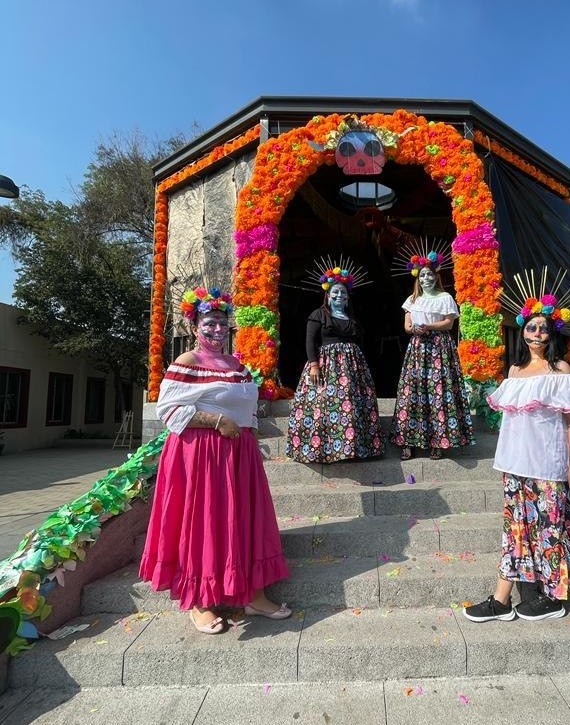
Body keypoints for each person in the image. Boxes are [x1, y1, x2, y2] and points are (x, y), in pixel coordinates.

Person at [139, 287, 290, 634]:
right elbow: (169, 410)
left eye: (223, 323)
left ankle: (254, 593)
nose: (217, 330)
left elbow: (246, 407)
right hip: (201, 454)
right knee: (204, 521)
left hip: (239, 455)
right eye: (209, 323)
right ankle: (200, 600)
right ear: (196, 327)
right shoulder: (186, 363)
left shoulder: (237, 366)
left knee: (244, 520)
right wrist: (216, 420)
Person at [463, 286, 570, 623]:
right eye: (531, 327)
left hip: (548, 467)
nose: (537, 333)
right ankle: (502, 600)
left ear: (552, 334)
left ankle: (553, 597)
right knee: (516, 531)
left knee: (549, 529)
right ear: (523, 331)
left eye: (543, 328)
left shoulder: (561, 371)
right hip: (514, 466)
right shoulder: (514, 373)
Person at [286, 262, 384, 463]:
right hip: (326, 366)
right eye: (336, 293)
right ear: (328, 295)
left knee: (351, 405)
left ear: (348, 297)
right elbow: (309, 342)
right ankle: (323, 449)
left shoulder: (351, 318)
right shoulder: (318, 315)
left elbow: (361, 341)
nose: (340, 296)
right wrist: (314, 365)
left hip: (352, 368)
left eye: (343, 293)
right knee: (325, 406)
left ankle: (353, 448)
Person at [389, 247, 474, 460]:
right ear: (418, 278)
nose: (426, 278)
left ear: (436, 277)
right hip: (418, 349)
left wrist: (429, 326)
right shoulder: (413, 299)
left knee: (438, 392)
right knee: (413, 393)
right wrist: (414, 329)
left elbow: (449, 323)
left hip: (438, 348)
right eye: (422, 275)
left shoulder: (445, 297)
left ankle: (438, 441)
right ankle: (408, 442)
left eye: (429, 274)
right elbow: (407, 326)